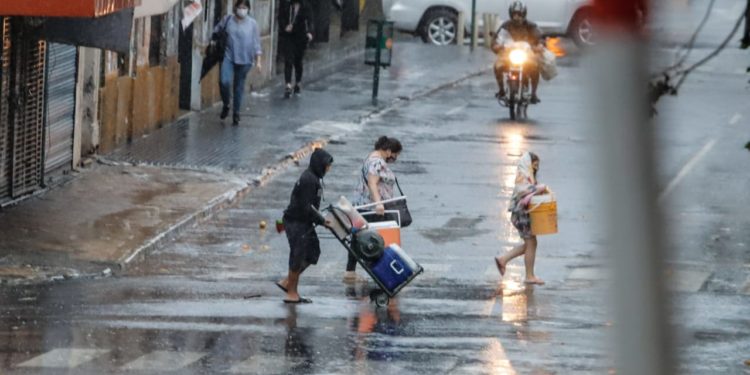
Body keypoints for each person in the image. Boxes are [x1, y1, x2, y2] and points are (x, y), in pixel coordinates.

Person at [276, 148, 334, 303]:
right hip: (296, 221)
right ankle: (291, 293)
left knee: (313, 252)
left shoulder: (314, 178)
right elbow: (305, 206)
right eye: (327, 165)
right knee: (298, 254)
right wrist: (322, 221)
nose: (328, 169)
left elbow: (311, 207)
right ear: (319, 164)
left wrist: (321, 219)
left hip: (305, 221)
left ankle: (287, 282)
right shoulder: (309, 179)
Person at [344, 136, 403, 282]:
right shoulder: (377, 162)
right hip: (372, 207)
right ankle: (386, 272)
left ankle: (350, 272)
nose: (394, 159)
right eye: (395, 155)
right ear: (388, 151)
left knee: (358, 238)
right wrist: (378, 203)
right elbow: (372, 183)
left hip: (363, 205)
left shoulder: (370, 158)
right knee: (377, 239)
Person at [495, 152, 549, 285]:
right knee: (531, 243)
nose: (536, 168)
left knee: (530, 244)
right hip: (521, 215)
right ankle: (529, 276)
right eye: (534, 165)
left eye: (537, 166)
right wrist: (538, 188)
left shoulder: (527, 176)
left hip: (523, 214)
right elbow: (523, 190)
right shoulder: (523, 176)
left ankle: (503, 260)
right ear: (528, 164)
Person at [213, 0, 263, 125]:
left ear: (248, 9)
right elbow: (217, 30)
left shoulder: (252, 24)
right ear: (235, 8)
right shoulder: (228, 20)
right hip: (229, 56)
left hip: (245, 59)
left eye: (244, 7)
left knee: (238, 86)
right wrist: (213, 41)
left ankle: (236, 113)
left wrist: (259, 61)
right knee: (224, 81)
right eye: (240, 7)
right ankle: (226, 104)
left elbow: (257, 44)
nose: (242, 10)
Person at [492, 1, 544, 104]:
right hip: (508, 56)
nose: (516, 17)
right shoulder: (506, 26)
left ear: (524, 14)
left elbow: (540, 38)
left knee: (535, 67)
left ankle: (533, 93)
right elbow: (496, 40)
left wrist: (539, 46)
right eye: (514, 14)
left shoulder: (531, 26)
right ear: (511, 14)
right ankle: (502, 90)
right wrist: (496, 46)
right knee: (497, 66)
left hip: (526, 55)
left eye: (519, 14)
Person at [278, 0, 314, 98]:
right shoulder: (287, 6)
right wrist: (285, 27)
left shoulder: (305, 6)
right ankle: (288, 84)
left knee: (298, 61)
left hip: (300, 36)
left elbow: (310, 20)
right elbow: (281, 18)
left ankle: (298, 82)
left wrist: (309, 32)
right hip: (289, 36)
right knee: (288, 59)